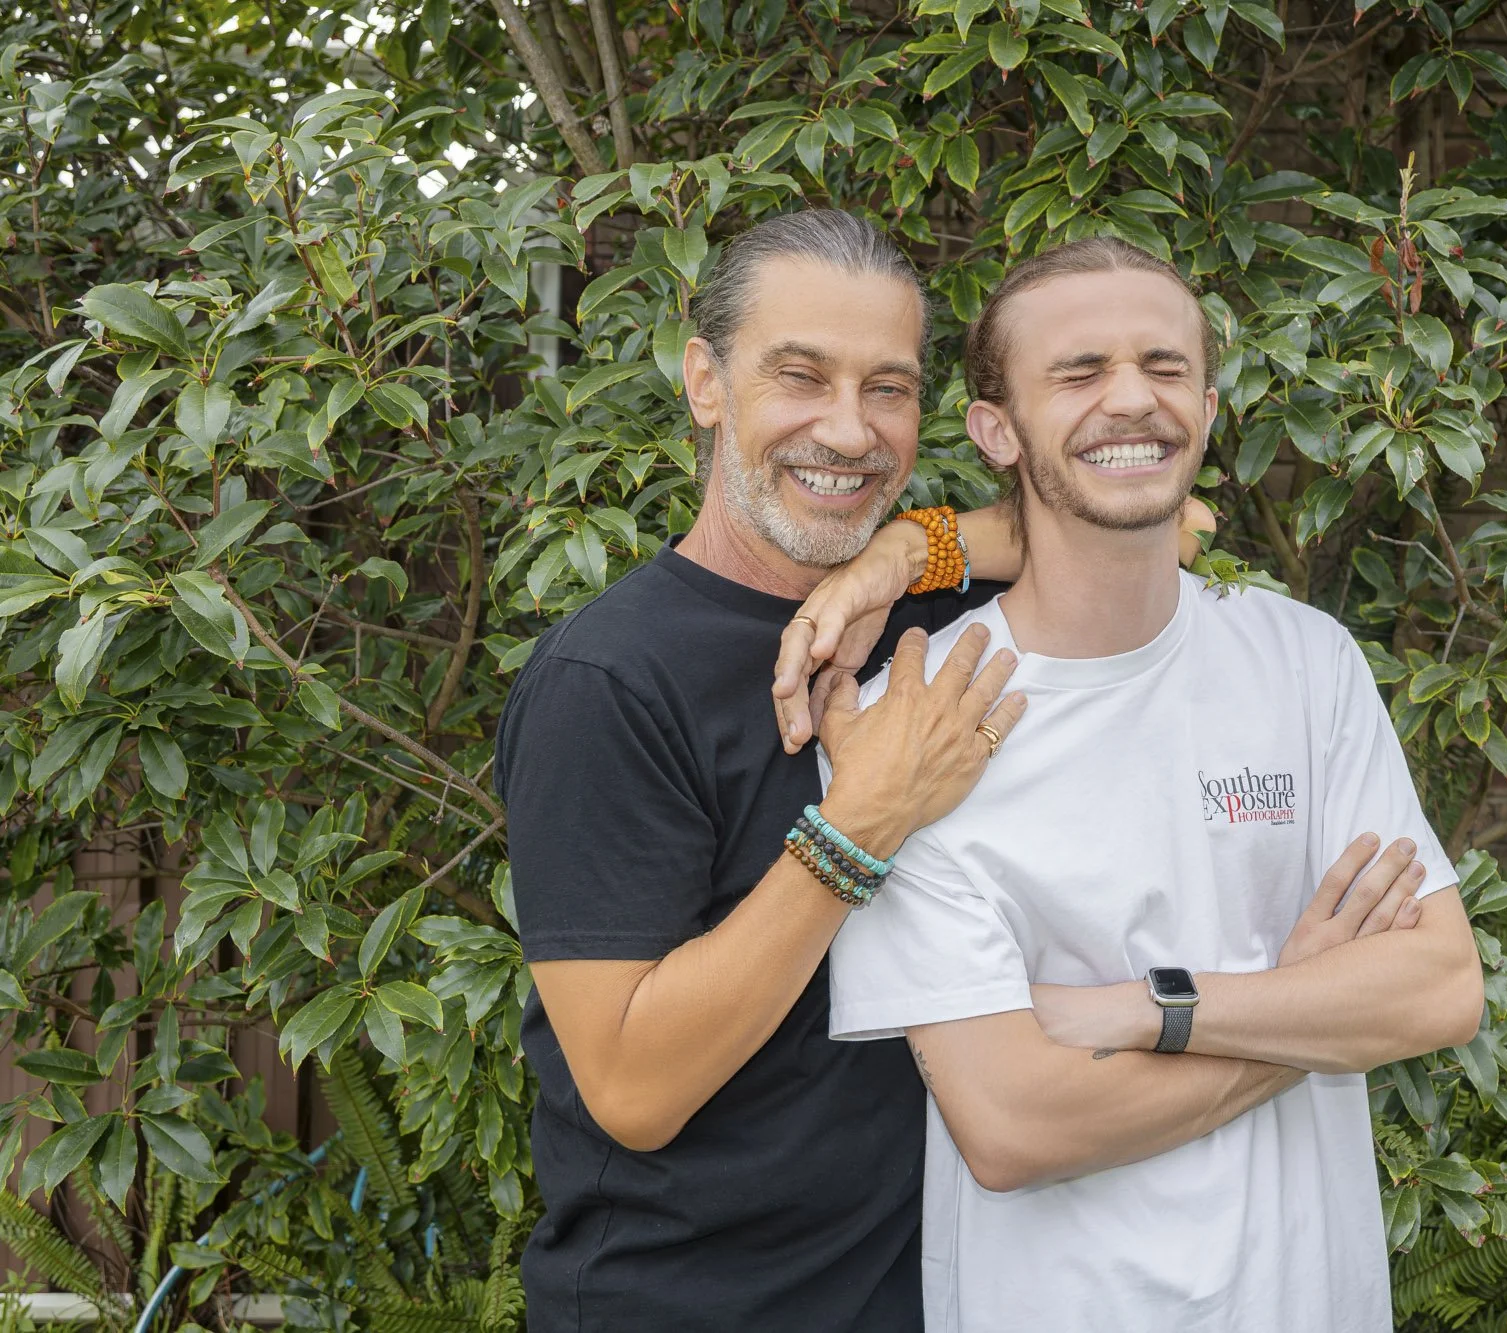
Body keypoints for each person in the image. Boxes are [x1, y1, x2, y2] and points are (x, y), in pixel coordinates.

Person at [494, 209, 1220, 1332]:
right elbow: (632, 1089)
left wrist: (906, 550)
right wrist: (860, 822)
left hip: (936, 1294)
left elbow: (1167, 523)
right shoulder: (608, 681)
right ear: (704, 382)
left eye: (886, 388)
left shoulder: (936, 614)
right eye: (801, 376)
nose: (848, 429)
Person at [824, 237, 1487, 1333]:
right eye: (1077, 372)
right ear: (996, 428)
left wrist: (1144, 1009)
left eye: (1164, 367)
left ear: (1210, 406)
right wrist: (1304, 1000)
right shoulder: (919, 715)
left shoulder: (1304, 661)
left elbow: (1436, 989)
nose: (1130, 400)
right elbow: (1010, 1127)